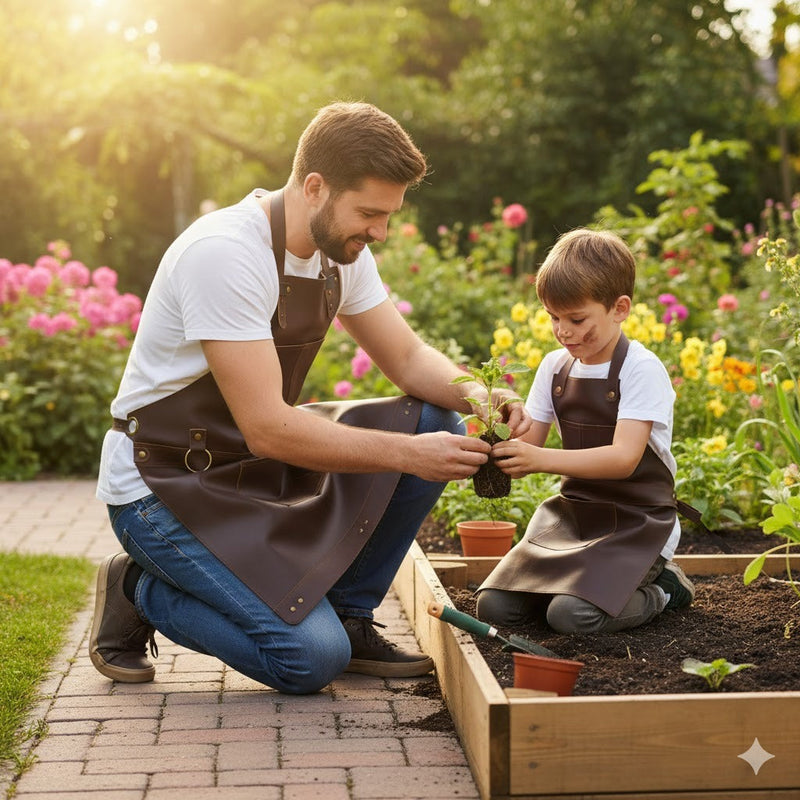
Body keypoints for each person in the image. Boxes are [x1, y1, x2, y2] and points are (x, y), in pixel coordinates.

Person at [91, 101, 530, 693]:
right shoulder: (225, 252)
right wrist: (407, 455)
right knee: (308, 660)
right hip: (163, 483)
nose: (380, 231)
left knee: (437, 417)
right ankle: (137, 590)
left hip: (248, 467)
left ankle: (351, 615)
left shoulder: (341, 251)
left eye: (389, 216)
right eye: (370, 213)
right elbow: (269, 428)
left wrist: (479, 394)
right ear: (315, 186)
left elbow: (406, 359)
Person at [476, 228, 696, 635]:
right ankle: (578, 588)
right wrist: (494, 443)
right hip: (575, 516)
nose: (563, 331)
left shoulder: (640, 369)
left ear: (619, 308)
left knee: (571, 616)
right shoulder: (553, 367)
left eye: (577, 319)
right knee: (494, 606)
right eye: (554, 318)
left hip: (638, 523)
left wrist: (538, 459)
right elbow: (529, 449)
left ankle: (665, 590)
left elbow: (623, 458)